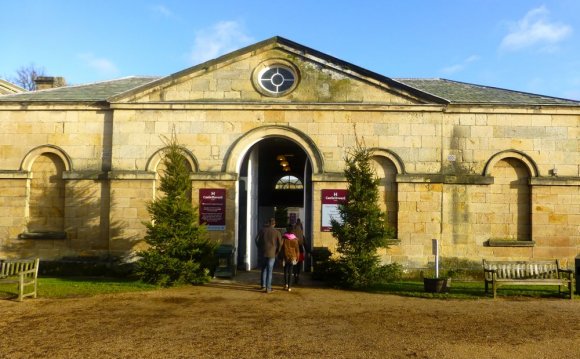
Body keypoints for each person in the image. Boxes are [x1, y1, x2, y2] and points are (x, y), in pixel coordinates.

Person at [255, 218, 282, 293]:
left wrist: (259, 248)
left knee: (263, 269)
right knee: (269, 271)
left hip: (263, 253)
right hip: (272, 254)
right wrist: (277, 252)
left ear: (268, 223)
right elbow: (280, 244)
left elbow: (256, 240)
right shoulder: (277, 232)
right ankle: (268, 288)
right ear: (274, 224)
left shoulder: (262, 230)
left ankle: (263, 286)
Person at [281, 225, 300, 291]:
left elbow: (281, 247)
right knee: (291, 271)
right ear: (292, 230)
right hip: (293, 257)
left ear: (286, 229)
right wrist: (298, 257)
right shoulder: (295, 239)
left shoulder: (284, 238)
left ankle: (285, 284)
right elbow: (297, 249)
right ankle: (289, 287)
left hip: (285, 256)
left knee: (285, 271)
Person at [292, 219, 306, 284]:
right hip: (300, 252)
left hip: (294, 252)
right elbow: (305, 244)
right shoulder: (302, 236)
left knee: (295, 264)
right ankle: (297, 275)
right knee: (299, 265)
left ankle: (295, 275)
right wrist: (308, 251)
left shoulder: (293, 236)